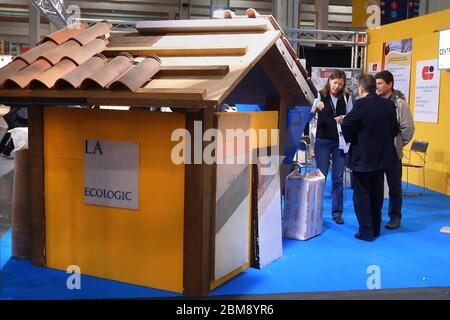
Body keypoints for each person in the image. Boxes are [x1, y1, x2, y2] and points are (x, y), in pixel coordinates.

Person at [341, 75, 399, 241]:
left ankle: (366, 231)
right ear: (375, 87)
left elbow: (346, 124)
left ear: (361, 89)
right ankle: (375, 228)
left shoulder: (360, 104)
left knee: (362, 194)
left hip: (363, 158)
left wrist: (353, 138)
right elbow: (395, 129)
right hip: (382, 158)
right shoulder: (389, 105)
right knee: (377, 193)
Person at [310, 70, 353, 224]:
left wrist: (345, 119)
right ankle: (316, 211)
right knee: (320, 177)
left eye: (340, 84)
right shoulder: (320, 95)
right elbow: (308, 116)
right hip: (322, 141)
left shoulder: (347, 97)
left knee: (338, 178)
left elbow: (352, 118)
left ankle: (336, 213)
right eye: (335, 83)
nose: (337, 86)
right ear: (329, 81)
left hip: (340, 143)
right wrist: (316, 108)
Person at [375, 70, 415, 229]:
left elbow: (408, 128)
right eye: (376, 83)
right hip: (377, 152)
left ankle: (395, 217)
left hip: (393, 153)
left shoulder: (400, 104)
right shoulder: (375, 101)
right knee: (376, 186)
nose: (377, 86)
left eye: (380, 83)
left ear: (389, 84)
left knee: (395, 187)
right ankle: (375, 214)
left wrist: (397, 143)